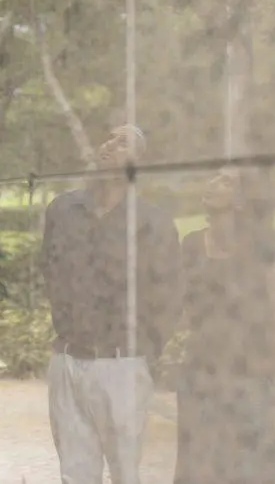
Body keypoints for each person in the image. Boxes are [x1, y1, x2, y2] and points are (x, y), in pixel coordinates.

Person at [40, 123, 181, 484]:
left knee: (125, 473)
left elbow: (168, 293)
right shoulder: (63, 210)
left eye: (124, 143)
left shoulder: (154, 223)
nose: (109, 145)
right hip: (68, 362)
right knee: (75, 473)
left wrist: (145, 352)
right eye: (109, 139)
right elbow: (50, 273)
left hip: (124, 365)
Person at [174, 166, 275, 484]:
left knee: (249, 470)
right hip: (201, 377)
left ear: (241, 199)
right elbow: (182, 311)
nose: (212, 182)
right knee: (198, 471)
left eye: (225, 181)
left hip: (251, 379)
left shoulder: (265, 246)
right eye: (212, 175)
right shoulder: (191, 246)